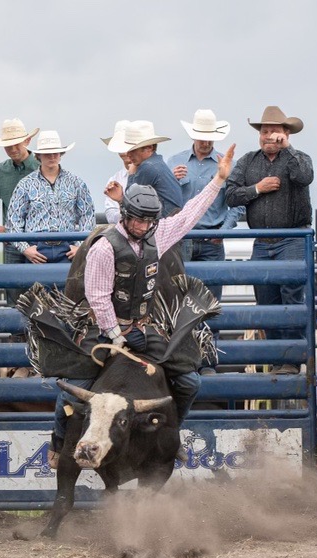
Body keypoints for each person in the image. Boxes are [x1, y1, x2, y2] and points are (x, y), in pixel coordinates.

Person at [51, 144, 236, 456]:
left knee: (190, 382)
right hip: (103, 331)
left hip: (142, 328)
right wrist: (115, 336)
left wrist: (217, 180)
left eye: (149, 221)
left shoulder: (157, 235)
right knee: (72, 388)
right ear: (126, 215)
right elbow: (97, 296)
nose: (143, 226)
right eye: (138, 220)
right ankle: (58, 443)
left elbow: (189, 214)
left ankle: (169, 434)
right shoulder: (104, 247)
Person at [225, 105, 314, 374]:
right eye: (265, 131)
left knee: (291, 297)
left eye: (274, 131)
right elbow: (229, 195)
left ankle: (293, 358)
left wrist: (289, 149)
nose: (268, 136)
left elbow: (305, 177)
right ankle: (277, 358)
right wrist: (257, 189)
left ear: (286, 134)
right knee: (266, 301)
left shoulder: (298, 158)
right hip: (261, 240)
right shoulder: (248, 161)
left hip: (293, 237)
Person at [168, 110, 243, 288]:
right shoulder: (174, 162)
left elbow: (239, 204)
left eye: (209, 137)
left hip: (212, 240)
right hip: (181, 237)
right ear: (193, 136)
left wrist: (222, 231)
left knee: (211, 300)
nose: (206, 141)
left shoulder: (229, 165)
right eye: (201, 136)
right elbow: (165, 201)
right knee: (179, 296)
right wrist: (172, 181)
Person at [6, 131, 95, 265]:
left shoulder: (76, 183)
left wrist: (80, 246)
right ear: (39, 156)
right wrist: (26, 249)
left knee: (67, 285)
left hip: (67, 247)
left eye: (56, 152)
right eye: (47, 153)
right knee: (37, 286)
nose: (52, 156)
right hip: (36, 248)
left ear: (61, 154)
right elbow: (14, 219)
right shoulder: (25, 184)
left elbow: (88, 215)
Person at [0, 118, 40, 303]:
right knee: (15, 293)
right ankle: (17, 332)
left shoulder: (43, 167)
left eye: (16, 144)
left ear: (27, 141)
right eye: (8, 146)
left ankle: (38, 332)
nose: (13, 149)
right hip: (14, 241)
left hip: (41, 240)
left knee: (42, 292)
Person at [108, 120, 183, 218]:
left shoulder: (148, 167)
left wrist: (131, 175)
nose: (128, 154)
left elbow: (131, 205)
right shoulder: (156, 164)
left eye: (133, 150)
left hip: (161, 228)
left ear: (149, 148)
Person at [101, 120, 131, 226]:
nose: (125, 150)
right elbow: (110, 215)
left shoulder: (115, 180)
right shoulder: (115, 179)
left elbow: (112, 214)